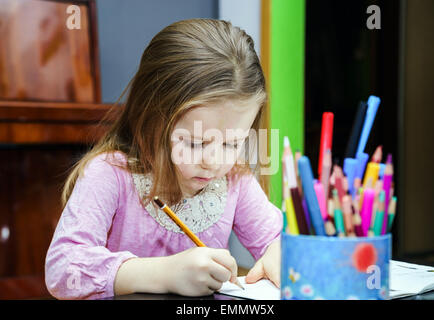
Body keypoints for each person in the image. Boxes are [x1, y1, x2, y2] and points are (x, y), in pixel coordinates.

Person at [45, 18, 282, 299]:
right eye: (195, 142)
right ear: (149, 120)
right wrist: (164, 273)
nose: (214, 161)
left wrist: (280, 253)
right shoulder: (109, 175)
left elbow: (279, 240)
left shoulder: (234, 181)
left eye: (233, 143)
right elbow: (63, 271)